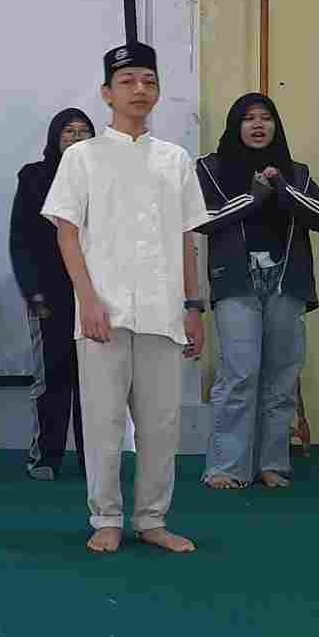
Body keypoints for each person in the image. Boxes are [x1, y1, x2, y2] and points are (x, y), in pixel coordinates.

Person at [42, 43, 206, 554]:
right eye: (128, 81)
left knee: (161, 425)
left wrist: (194, 306)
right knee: (103, 421)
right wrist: (87, 299)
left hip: (163, 310)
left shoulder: (175, 159)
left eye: (148, 81)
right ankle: (106, 517)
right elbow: (67, 234)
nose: (140, 90)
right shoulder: (81, 157)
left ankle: (152, 519)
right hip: (102, 313)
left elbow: (187, 238)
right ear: (107, 93)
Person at [193, 93, 319, 490]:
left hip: (286, 284)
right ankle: (226, 467)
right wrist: (253, 197)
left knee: (281, 379)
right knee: (240, 374)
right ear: (235, 125)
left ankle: (272, 464)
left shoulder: (296, 172)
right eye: (249, 118)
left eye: (266, 118)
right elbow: (200, 218)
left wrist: (283, 189)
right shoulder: (210, 168)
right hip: (236, 282)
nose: (258, 125)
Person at [11, 108, 95, 480]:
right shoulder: (34, 177)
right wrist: (33, 291)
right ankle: (46, 456)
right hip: (50, 295)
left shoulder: (105, 176)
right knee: (53, 377)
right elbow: (21, 239)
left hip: (95, 295)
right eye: (68, 131)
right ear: (55, 138)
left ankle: (94, 459)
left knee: (95, 381)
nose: (75, 138)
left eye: (83, 131)